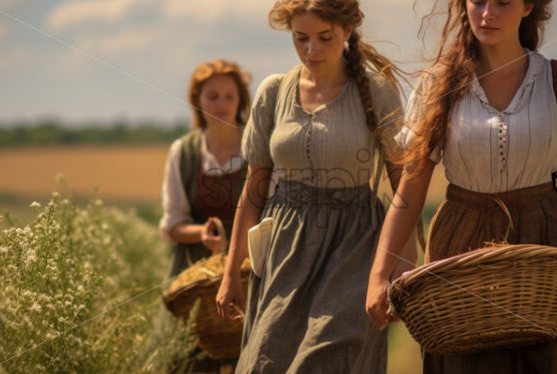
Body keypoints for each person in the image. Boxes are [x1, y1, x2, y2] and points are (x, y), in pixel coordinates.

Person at [365, 0, 557, 373]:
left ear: (528, 6)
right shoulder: (440, 84)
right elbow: (411, 188)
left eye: (502, 3)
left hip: (544, 244)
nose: (487, 14)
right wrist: (378, 276)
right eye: (478, 1)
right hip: (462, 248)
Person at [215, 0, 417, 372]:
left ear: (347, 31)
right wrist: (231, 274)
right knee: (266, 361)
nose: (311, 50)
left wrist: (405, 258)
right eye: (300, 38)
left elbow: (404, 180)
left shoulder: (375, 90)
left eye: (324, 38)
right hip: (284, 251)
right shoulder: (273, 92)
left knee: (326, 361)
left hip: (356, 246)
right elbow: (253, 189)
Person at [158, 59, 251, 374]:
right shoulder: (182, 152)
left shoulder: (257, 148)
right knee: (186, 362)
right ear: (197, 100)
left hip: (248, 270)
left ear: (241, 100)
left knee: (251, 357)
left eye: (229, 95)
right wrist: (201, 235)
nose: (221, 104)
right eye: (213, 96)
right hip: (193, 274)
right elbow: (172, 222)